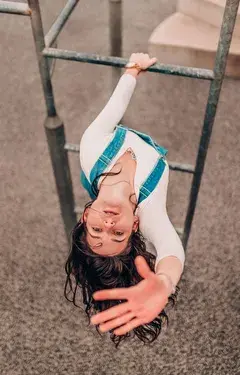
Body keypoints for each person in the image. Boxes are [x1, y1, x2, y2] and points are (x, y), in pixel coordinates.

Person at [64, 53, 185, 348]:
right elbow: (171, 250)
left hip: (97, 167)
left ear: (86, 215)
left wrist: (133, 69)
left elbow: (114, 109)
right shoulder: (149, 212)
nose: (108, 223)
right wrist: (164, 282)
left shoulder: (92, 149)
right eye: (117, 233)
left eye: (96, 230)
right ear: (134, 226)